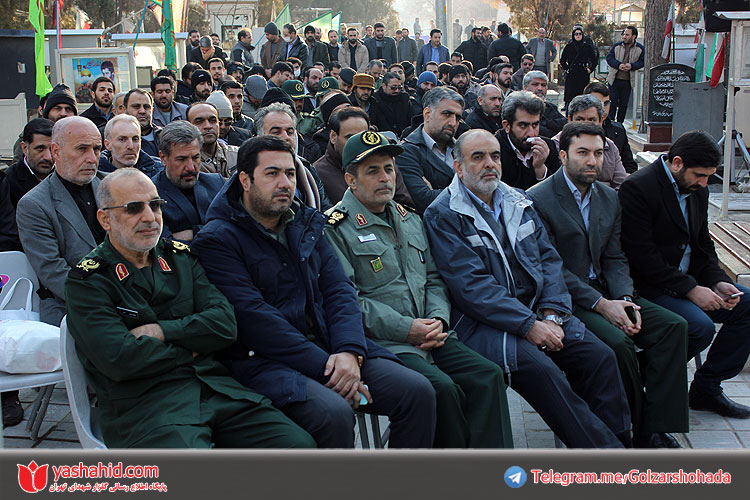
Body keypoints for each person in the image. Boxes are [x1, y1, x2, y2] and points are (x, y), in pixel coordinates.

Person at [191, 136, 436, 448]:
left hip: (329, 344)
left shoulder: (304, 222)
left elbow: (339, 290)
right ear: (245, 180)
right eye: (272, 173)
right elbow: (254, 319)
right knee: (333, 414)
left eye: (290, 173)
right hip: (264, 361)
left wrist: (349, 350)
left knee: (417, 392)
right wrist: (328, 368)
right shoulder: (218, 239)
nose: (284, 183)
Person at [64, 168, 314, 449]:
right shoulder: (89, 281)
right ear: (105, 219)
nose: (150, 217)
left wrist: (162, 331)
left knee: (297, 446)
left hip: (213, 388)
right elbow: (120, 359)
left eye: (155, 205)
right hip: (147, 407)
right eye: (134, 208)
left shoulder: (180, 258)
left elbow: (224, 325)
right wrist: (193, 348)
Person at [423, 128, 632, 448]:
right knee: (542, 371)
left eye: (495, 156)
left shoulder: (517, 200)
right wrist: (530, 325)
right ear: (458, 167)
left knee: (600, 357)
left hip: (538, 310)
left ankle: (620, 445)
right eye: (478, 157)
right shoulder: (444, 213)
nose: (489, 164)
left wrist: (552, 313)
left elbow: (548, 260)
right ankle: (608, 458)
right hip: (483, 323)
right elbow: (473, 289)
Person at [325, 130, 513, 447]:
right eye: (372, 171)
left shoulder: (409, 218)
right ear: (350, 180)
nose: (385, 178)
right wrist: (408, 329)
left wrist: (438, 319)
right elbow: (348, 301)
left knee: (488, 375)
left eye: (389, 169)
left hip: (431, 334)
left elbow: (434, 278)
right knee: (443, 390)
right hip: (386, 344)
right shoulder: (335, 228)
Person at [528, 122, 689, 448]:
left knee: (674, 327)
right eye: (583, 152)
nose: (593, 161)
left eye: (599, 153)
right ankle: (633, 428)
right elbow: (550, 268)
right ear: (563, 155)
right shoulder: (538, 199)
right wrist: (603, 306)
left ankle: (656, 425)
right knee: (619, 345)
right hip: (566, 299)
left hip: (608, 290)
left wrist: (624, 299)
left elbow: (614, 257)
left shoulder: (609, 197)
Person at [619, 130, 750, 420]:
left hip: (688, 280)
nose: (704, 183)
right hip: (649, 286)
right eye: (700, 175)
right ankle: (634, 377)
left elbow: (703, 245)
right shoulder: (638, 188)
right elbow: (642, 258)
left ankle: (706, 388)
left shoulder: (697, 190)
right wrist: (692, 290)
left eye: (708, 177)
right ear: (677, 163)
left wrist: (718, 281)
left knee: (746, 303)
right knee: (699, 327)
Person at [16, 117, 105, 327]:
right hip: (71, 304)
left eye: (96, 149)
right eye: (82, 149)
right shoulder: (34, 205)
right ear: (56, 151)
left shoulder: (113, 185)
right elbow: (53, 272)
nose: (92, 158)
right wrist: (110, 296)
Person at [313, 107, 412, 207]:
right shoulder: (318, 173)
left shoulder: (385, 163)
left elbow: (405, 206)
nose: (358, 144)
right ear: (333, 136)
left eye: (363, 137)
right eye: (350, 138)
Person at [151, 120, 224, 242]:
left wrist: (193, 232)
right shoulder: (151, 195)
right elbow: (164, 244)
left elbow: (236, 228)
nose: (191, 167)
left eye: (195, 158)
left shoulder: (216, 183)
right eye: (181, 159)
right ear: (163, 158)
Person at [398, 87, 464, 213]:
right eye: (447, 114)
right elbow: (424, 200)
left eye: (457, 118)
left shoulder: (463, 149)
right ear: (427, 114)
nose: (453, 122)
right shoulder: (406, 152)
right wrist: (470, 191)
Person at [549, 95, 627, 190]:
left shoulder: (610, 146)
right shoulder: (556, 145)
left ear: (601, 121)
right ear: (570, 120)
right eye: (580, 119)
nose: (585, 125)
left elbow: (621, 185)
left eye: (591, 120)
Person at [495, 91, 560, 190]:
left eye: (535, 125)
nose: (531, 133)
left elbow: (558, 191)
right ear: (507, 126)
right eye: (523, 125)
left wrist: (540, 168)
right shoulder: (494, 151)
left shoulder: (548, 147)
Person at [584, 82, 638, 174]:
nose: (603, 109)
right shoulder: (571, 131)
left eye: (606, 103)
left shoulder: (618, 131)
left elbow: (629, 165)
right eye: (597, 104)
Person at [5, 118, 54, 207]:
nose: (48, 157)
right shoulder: (8, 182)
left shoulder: (66, 176)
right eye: (40, 148)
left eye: (53, 149)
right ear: (24, 148)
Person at [186, 102, 238, 178]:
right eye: (199, 122)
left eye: (213, 120)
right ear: (189, 127)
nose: (208, 126)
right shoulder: (185, 163)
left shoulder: (238, 155)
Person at [606, 26, 645, 123]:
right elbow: (609, 58)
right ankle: (610, 123)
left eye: (627, 35)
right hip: (614, 80)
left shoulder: (640, 48)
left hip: (628, 81)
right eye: (623, 34)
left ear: (634, 36)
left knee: (623, 105)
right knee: (612, 103)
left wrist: (632, 66)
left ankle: (620, 124)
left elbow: (642, 62)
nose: (624, 37)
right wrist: (618, 65)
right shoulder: (617, 46)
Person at [369, 72, 420, 137]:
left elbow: (412, 119)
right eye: (393, 88)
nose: (397, 91)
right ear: (384, 86)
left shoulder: (404, 98)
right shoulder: (375, 99)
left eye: (399, 88)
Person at [559, 26, 597, 110]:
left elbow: (594, 60)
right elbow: (562, 60)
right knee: (570, 97)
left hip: (583, 73)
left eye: (580, 34)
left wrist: (590, 69)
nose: (578, 35)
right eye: (576, 34)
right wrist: (567, 68)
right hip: (572, 73)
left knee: (583, 96)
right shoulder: (569, 46)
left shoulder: (587, 47)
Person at [521, 70, 566, 139]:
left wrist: (547, 123)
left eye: (543, 85)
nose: (540, 88)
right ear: (525, 88)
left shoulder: (551, 107)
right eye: (535, 84)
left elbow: (566, 123)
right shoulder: (520, 108)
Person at [124, 89, 161, 158]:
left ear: (152, 110)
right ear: (124, 110)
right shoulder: (116, 139)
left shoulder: (164, 137)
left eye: (146, 107)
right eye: (136, 106)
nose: (142, 111)